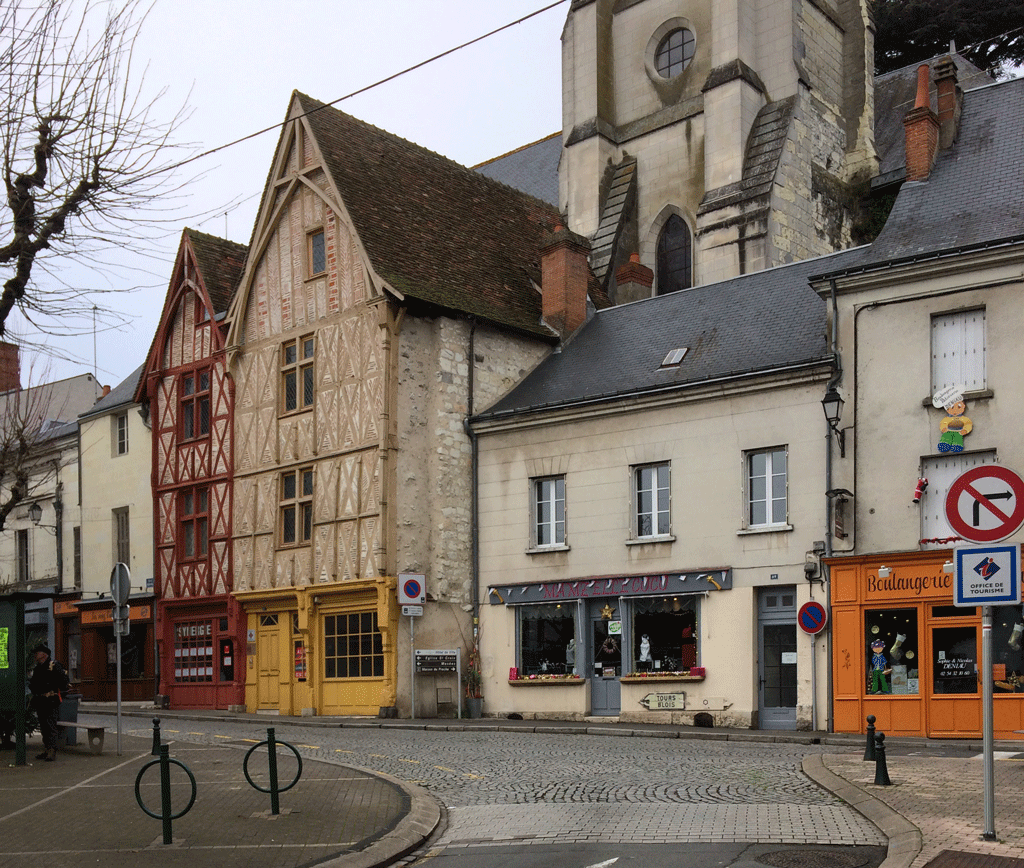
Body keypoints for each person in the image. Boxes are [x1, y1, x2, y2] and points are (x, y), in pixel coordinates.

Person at [28, 644, 68, 762]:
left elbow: (64, 681)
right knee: (44, 726)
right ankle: (46, 748)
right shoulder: (38, 668)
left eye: (37, 652)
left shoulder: (54, 665)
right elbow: (34, 683)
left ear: (44, 654)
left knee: (51, 726)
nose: (35, 655)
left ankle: (52, 750)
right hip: (41, 701)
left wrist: (55, 691)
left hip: (51, 700)